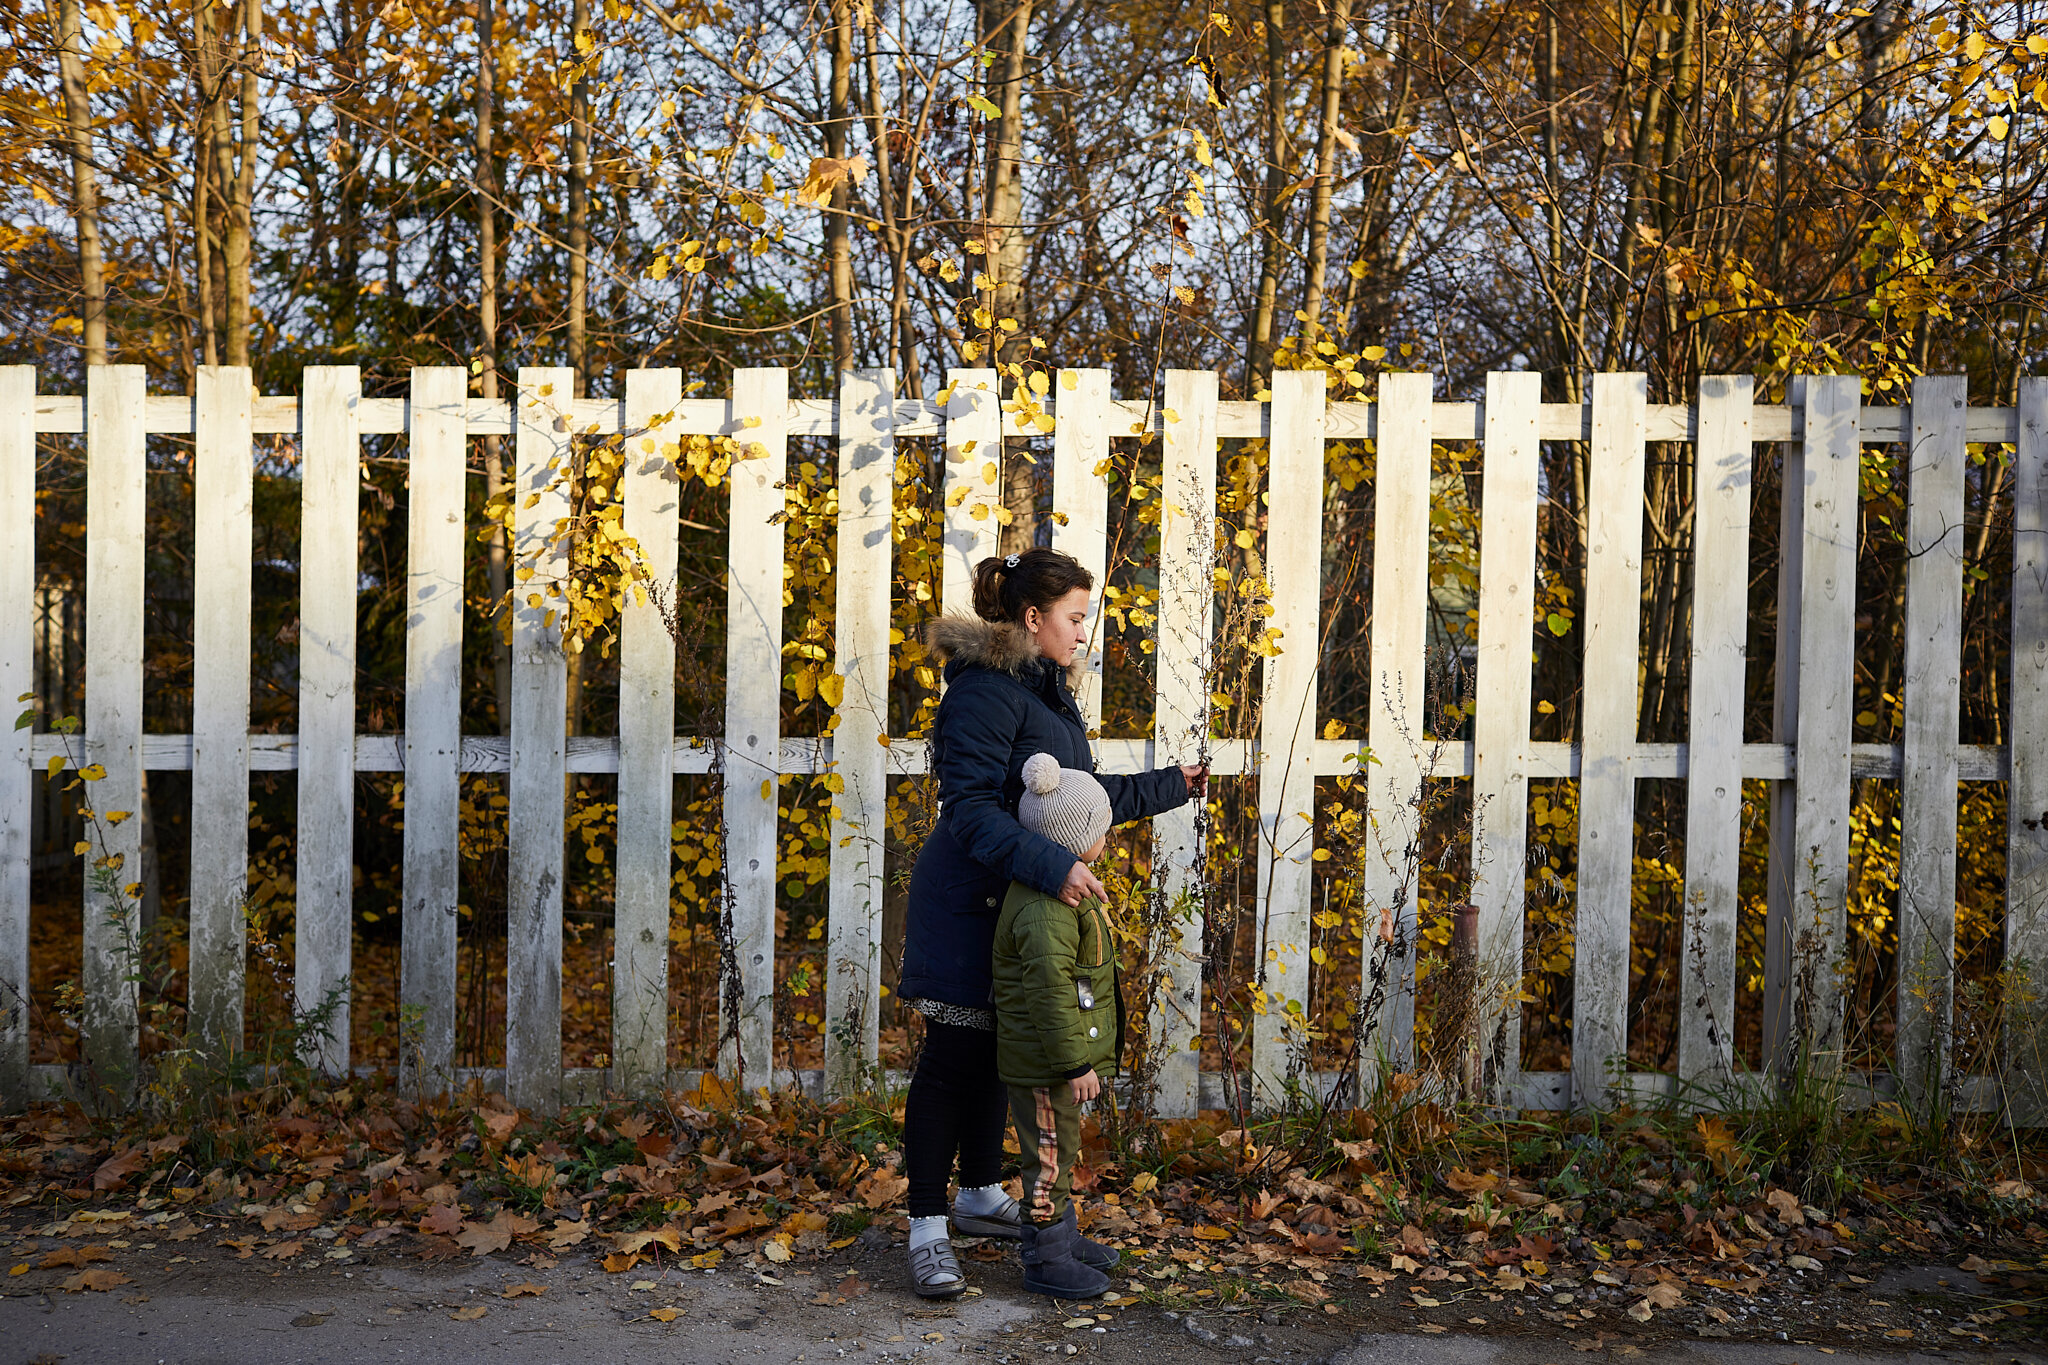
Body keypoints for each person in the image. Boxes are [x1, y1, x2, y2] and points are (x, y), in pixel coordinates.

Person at [896, 547, 1204, 1299]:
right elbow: (969, 812)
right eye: (1073, 618)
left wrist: (1174, 785)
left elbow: (1079, 801)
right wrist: (1053, 868)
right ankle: (928, 1226)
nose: (1082, 633)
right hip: (972, 905)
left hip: (1016, 903)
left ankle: (977, 1196)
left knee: (1004, 1054)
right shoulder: (983, 693)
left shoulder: (1047, 693)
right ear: (1033, 618)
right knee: (949, 1062)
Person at [991, 753, 1123, 1298]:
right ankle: (1045, 1259)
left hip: (1055, 1059)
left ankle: (1062, 1239)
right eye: (1100, 831)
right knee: (1047, 1157)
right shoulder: (1046, 909)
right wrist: (1074, 1062)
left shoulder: (1063, 893)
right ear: (1073, 839)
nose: (1107, 840)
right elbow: (1049, 995)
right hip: (1047, 1063)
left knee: (1062, 1148)